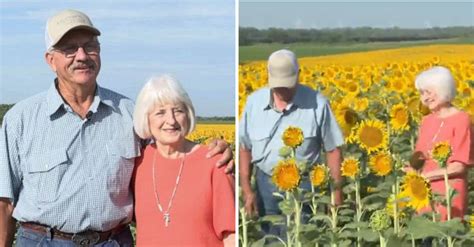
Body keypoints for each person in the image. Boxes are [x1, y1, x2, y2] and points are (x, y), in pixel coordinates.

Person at [0, 9, 232, 246]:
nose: (82, 56)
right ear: (51, 60)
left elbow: (168, 157)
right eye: (69, 48)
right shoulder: (21, 119)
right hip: (43, 241)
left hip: (112, 241)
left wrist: (213, 152)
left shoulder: (130, 114)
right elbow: (4, 203)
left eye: (90, 47)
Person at [239, 49, 344, 237]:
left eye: (288, 85)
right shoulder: (254, 103)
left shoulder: (317, 104)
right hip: (265, 184)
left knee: (301, 237)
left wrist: (335, 193)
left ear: (298, 75)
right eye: (279, 86)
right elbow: (244, 147)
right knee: (270, 238)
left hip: (304, 186)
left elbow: (333, 149)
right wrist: (247, 190)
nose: (283, 90)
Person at [132, 75, 235, 246]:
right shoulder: (138, 162)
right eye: (160, 112)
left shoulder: (214, 161)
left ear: (188, 114)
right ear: (146, 118)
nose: (171, 120)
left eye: (178, 111)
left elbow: (230, 234)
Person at [411, 66, 473, 220]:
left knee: (446, 236)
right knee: (424, 236)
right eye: (422, 93)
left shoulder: (462, 119)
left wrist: (425, 176)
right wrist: (409, 169)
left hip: (449, 192)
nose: (425, 98)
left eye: (429, 92)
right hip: (423, 194)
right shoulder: (427, 121)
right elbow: (419, 157)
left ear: (443, 89)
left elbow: (458, 166)